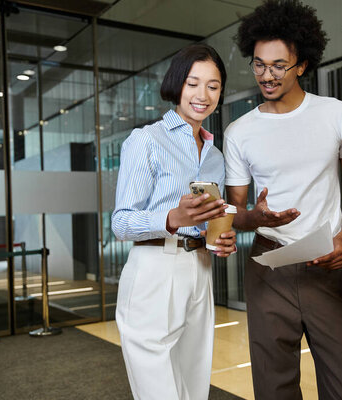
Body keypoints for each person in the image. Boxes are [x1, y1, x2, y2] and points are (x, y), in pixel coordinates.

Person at [224, 1, 342, 398]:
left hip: (327, 263)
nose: (266, 75)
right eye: (258, 64)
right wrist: (254, 218)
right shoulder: (239, 131)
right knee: (274, 390)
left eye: (278, 65)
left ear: (302, 65)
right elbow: (233, 211)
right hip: (268, 268)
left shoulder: (338, 115)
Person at [112, 43, 236, 400]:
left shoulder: (214, 155)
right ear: (176, 84)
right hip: (155, 266)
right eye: (193, 83)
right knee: (159, 390)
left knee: (194, 384)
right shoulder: (146, 140)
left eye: (213, 86)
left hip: (200, 267)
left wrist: (219, 239)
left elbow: (210, 221)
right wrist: (171, 217)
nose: (203, 95)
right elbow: (121, 222)